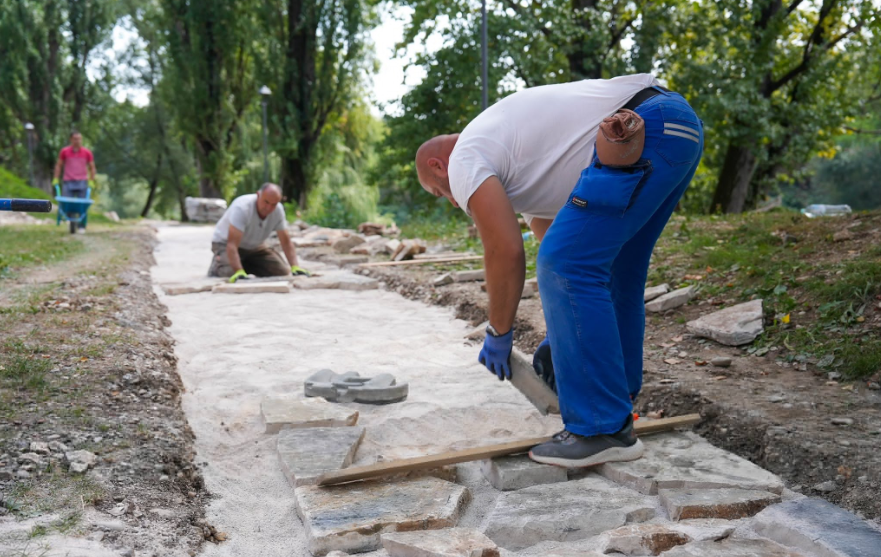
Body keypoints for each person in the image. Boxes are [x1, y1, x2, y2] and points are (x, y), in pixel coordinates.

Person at [415, 74, 703, 468]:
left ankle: (601, 428)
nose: (449, 200)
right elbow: (557, 238)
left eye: (438, 191)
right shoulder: (516, 155)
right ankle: (615, 402)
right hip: (676, 126)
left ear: (437, 165)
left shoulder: (466, 157)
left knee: (564, 264)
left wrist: (499, 331)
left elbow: (506, 252)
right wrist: (570, 338)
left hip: (633, 131)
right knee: (615, 271)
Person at [208, 183, 310, 282]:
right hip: (225, 243)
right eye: (266, 202)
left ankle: (243, 264)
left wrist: (295, 267)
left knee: (281, 271)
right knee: (230, 273)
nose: (269, 208)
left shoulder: (278, 210)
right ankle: (219, 264)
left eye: (273, 204)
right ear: (258, 195)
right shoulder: (242, 208)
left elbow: (286, 241)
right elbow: (232, 244)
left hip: (254, 246)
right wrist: (238, 271)